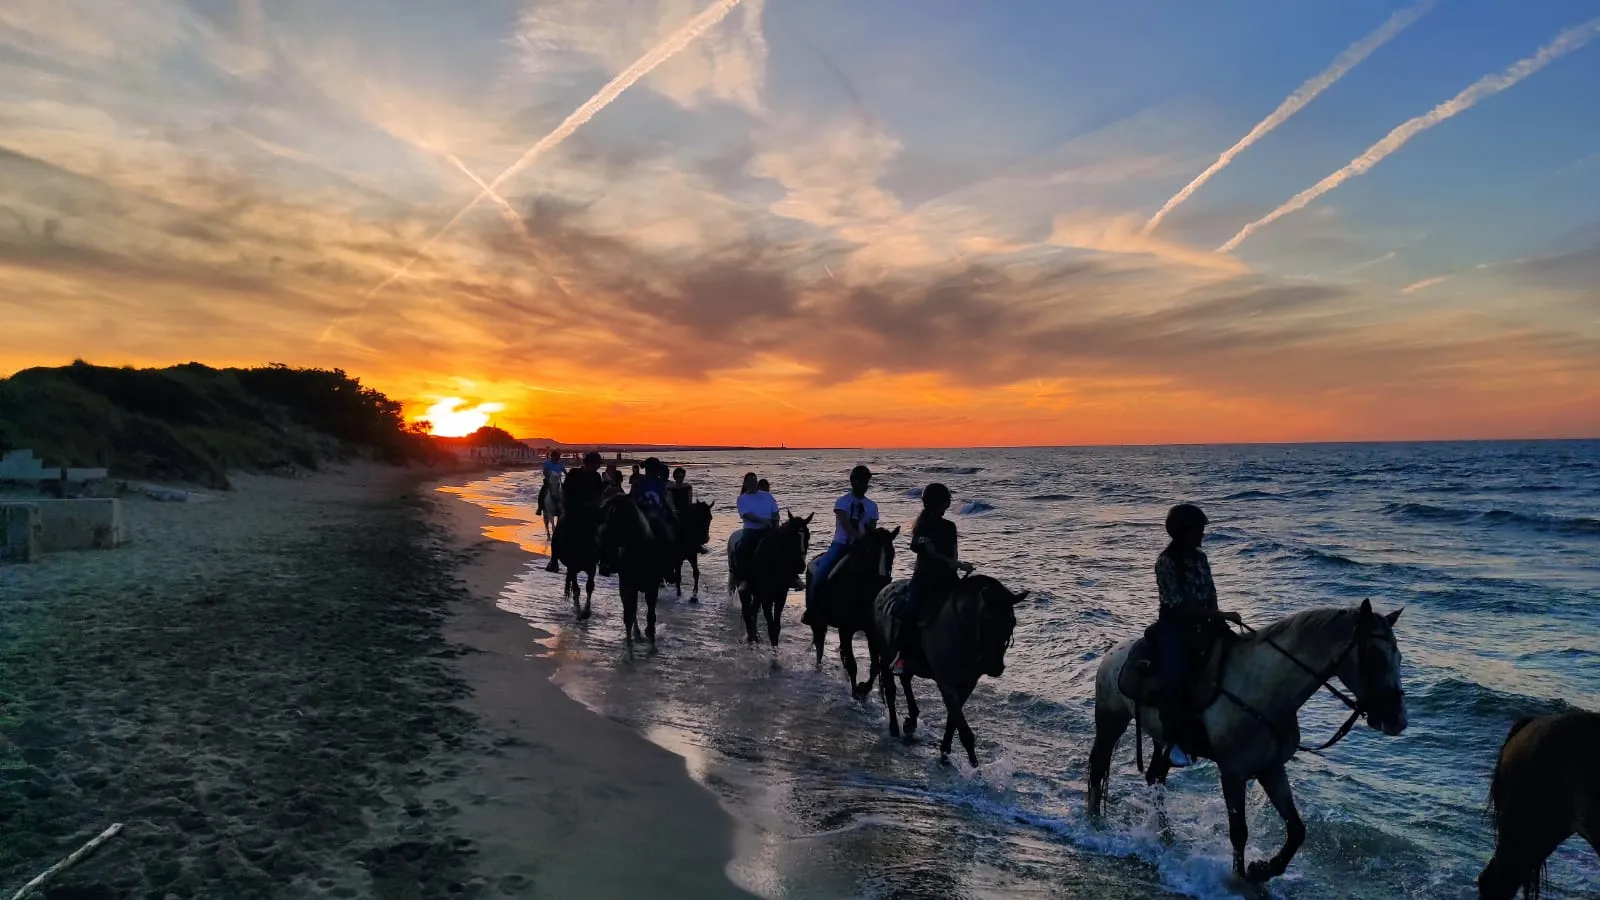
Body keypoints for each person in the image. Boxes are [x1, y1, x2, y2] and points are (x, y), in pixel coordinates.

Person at [1150, 503, 1242, 767]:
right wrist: (1219, 615)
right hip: (1175, 627)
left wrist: (1219, 617)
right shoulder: (1166, 562)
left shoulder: (1201, 558)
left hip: (1208, 622)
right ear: (1182, 532)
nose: (1202, 535)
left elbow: (1211, 594)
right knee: (1174, 677)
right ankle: (1170, 741)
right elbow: (1177, 606)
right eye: (1198, 531)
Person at [891, 483, 973, 675]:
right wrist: (955, 564)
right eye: (944, 502)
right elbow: (931, 553)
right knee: (909, 610)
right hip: (925, 577)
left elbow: (952, 553)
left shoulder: (950, 526)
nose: (946, 505)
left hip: (947, 577)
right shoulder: (922, 527)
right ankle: (901, 658)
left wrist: (957, 565)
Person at [802, 465, 879, 626]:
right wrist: (858, 537)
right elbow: (845, 524)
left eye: (866, 482)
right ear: (853, 482)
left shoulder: (872, 506)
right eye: (861, 481)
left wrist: (868, 540)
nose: (864, 485)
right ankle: (812, 610)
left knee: (879, 572)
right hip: (841, 544)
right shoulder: (842, 502)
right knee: (820, 572)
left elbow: (872, 527)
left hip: (862, 547)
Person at [549, 452, 605, 572]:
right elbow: (566, 491)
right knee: (560, 528)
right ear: (587, 463)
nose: (597, 467)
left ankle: (605, 561)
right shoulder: (574, 473)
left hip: (590, 510)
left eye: (598, 465)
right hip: (572, 508)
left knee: (606, 528)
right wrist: (573, 505)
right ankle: (553, 560)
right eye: (595, 464)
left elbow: (599, 493)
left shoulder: (596, 477)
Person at [732, 472, 779, 584]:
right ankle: (742, 578)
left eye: (755, 481)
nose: (753, 483)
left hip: (769, 529)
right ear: (746, 484)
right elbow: (746, 515)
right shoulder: (742, 499)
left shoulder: (767, 496)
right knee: (741, 548)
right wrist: (763, 520)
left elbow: (775, 512)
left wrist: (774, 522)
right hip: (752, 530)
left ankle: (792, 577)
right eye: (750, 481)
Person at [537, 449, 566, 516]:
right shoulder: (547, 463)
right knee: (542, 493)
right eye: (557, 457)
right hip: (549, 481)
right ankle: (539, 508)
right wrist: (548, 476)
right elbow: (544, 472)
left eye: (559, 457)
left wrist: (568, 478)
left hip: (558, 481)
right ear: (552, 456)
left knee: (566, 493)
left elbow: (565, 472)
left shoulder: (560, 464)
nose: (558, 458)